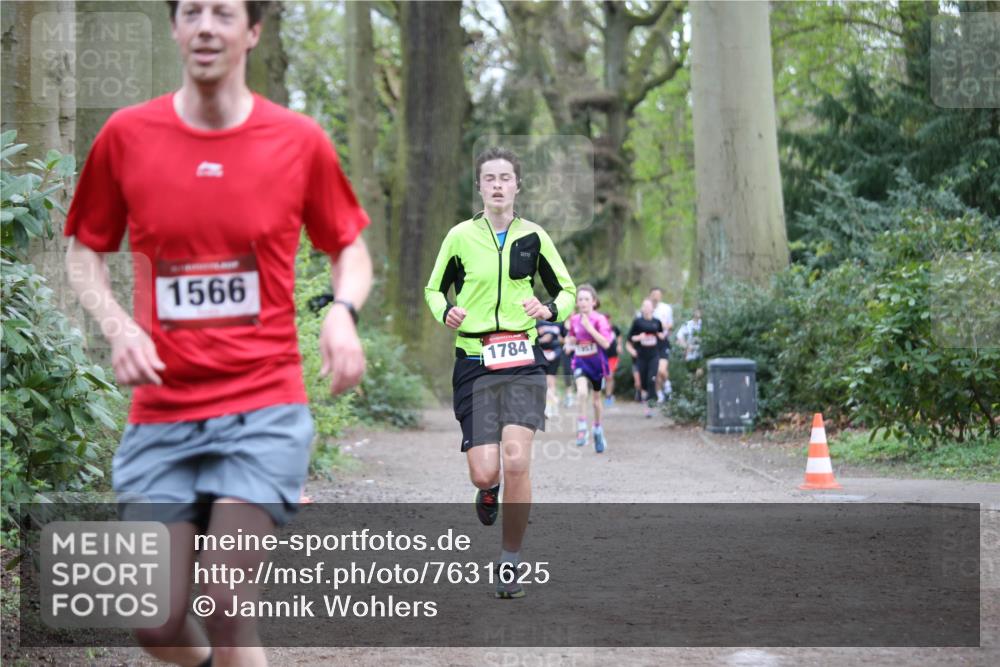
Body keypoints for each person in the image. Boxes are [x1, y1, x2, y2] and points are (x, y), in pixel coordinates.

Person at [63, 2, 372, 665]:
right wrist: (117, 326)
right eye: (192, 11)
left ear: (253, 31)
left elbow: (349, 246)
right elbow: (85, 250)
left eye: (225, 13)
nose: (207, 25)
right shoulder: (126, 136)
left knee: (227, 602)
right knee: (154, 621)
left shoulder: (298, 140)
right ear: (174, 28)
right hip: (162, 413)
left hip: (263, 408)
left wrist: (342, 310)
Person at [424, 146, 576, 599]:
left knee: (517, 460)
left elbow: (566, 291)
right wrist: (446, 311)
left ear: (517, 186)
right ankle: (487, 491)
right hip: (474, 361)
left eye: (505, 178)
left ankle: (510, 561)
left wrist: (548, 309)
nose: (497, 185)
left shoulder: (534, 236)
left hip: (523, 359)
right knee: (484, 471)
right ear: (479, 187)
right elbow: (434, 289)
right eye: (489, 178)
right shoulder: (459, 237)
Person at [564, 285, 613, 453]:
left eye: (586, 299)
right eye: (580, 299)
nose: (583, 302)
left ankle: (597, 429)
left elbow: (606, 343)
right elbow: (571, 336)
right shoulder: (574, 320)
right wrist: (569, 343)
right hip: (580, 363)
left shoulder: (600, 319)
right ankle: (582, 427)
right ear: (577, 303)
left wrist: (589, 328)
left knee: (596, 401)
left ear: (594, 302)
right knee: (582, 392)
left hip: (597, 365)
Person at [627, 299, 665, 418]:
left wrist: (660, 335)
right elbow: (630, 338)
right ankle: (646, 400)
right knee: (642, 382)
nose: (647, 308)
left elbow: (662, 336)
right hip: (641, 356)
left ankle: (650, 407)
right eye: (645, 306)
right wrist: (639, 337)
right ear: (642, 308)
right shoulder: (637, 322)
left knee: (651, 380)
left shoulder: (657, 322)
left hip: (654, 355)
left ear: (652, 308)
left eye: (649, 306)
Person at [648, 287, 674, 402]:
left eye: (658, 294)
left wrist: (663, 329)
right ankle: (660, 395)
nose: (656, 297)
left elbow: (671, 325)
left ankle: (668, 386)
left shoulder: (666, 308)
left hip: (663, 342)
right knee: (656, 371)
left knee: (662, 370)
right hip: (651, 343)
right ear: (650, 295)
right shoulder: (646, 309)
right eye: (654, 294)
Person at [536, 318, 565, 417]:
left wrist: (558, 339)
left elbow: (564, 339)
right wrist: (542, 339)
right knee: (542, 381)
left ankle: (549, 408)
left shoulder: (559, 323)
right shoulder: (538, 322)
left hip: (554, 354)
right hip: (542, 354)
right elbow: (533, 339)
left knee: (551, 381)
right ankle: (552, 401)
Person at [603, 323, 622, 406]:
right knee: (603, 376)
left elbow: (619, 335)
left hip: (613, 356)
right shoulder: (597, 327)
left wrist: (619, 345)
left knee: (610, 376)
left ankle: (608, 396)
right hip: (601, 356)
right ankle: (603, 394)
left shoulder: (614, 328)